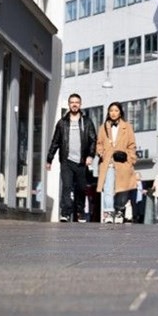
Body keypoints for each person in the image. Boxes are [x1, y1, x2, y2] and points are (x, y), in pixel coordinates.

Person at [46, 93, 97, 222]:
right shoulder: (62, 123)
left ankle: (80, 212)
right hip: (66, 161)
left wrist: (90, 155)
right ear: (69, 104)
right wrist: (49, 159)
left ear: (80, 104)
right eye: (72, 102)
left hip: (81, 161)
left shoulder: (87, 122)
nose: (74, 104)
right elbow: (55, 142)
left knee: (81, 188)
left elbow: (93, 140)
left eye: (77, 102)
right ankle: (65, 213)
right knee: (67, 186)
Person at [96, 101, 137, 224]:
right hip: (108, 162)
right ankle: (108, 212)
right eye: (111, 110)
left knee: (122, 189)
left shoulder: (127, 127)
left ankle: (119, 210)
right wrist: (101, 152)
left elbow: (132, 145)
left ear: (120, 112)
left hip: (122, 162)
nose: (113, 113)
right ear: (108, 112)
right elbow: (99, 143)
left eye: (116, 110)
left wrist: (130, 159)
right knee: (108, 188)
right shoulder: (103, 127)